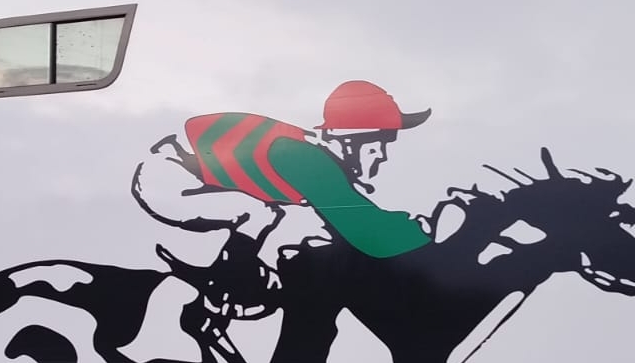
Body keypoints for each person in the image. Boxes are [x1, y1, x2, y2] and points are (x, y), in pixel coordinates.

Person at [131, 80, 434, 330]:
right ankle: (221, 297)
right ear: (349, 141)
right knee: (261, 214)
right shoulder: (306, 159)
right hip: (168, 174)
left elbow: (354, 215)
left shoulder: (318, 158)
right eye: (378, 145)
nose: (382, 155)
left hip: (188, 174)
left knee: (293, 223)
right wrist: (428, 231)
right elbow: (364, 229)